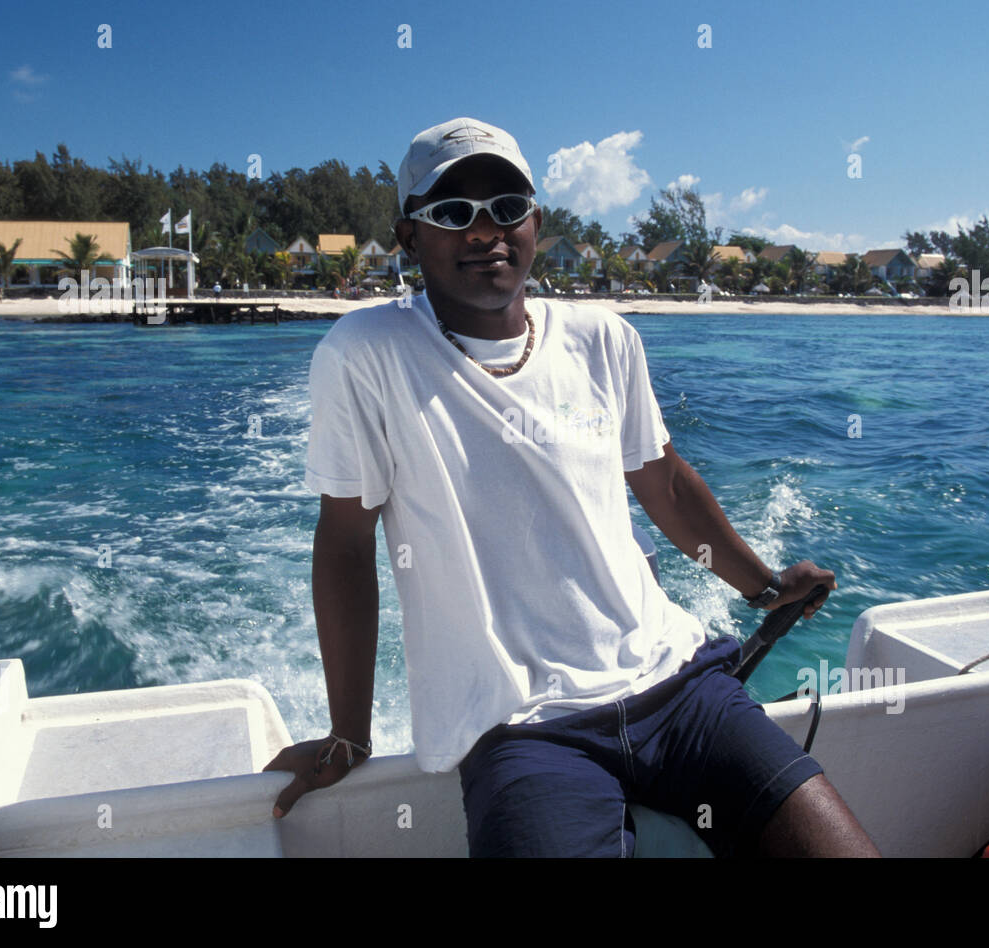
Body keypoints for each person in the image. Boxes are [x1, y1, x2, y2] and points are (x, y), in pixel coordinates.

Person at [266, 117, 879, 857]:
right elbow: (343, 546)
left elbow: (667, 487)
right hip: (524, 730)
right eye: (452, 213)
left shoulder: (603, 338)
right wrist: (349, 734)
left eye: (507, 208)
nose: (484, 231)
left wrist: (761, 587)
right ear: (408, 239)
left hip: (681, 689)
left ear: (536, 223)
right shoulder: (367, 356)